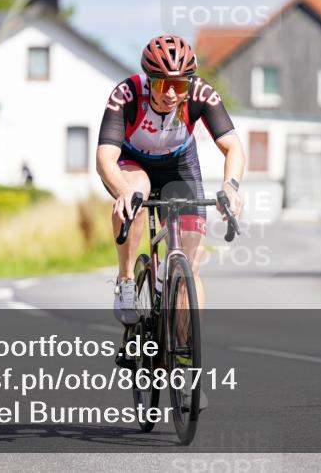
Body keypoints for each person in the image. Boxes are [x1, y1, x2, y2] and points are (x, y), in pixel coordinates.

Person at [96, 35, 245, 325]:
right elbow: (104, 158)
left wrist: (231, 186)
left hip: (179, 165)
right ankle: (126, 279)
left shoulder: (201, 94)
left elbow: (234, 147)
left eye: (179, 85)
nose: (172, 94)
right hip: (134, 163)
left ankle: (185, 341)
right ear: (149, 80)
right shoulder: (126, 95)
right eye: (163, 84)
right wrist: (123, 191)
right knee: (136, 195)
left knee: (191, 261)